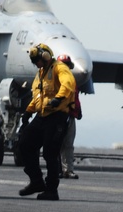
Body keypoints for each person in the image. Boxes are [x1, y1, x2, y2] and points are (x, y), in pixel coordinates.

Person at [18, 43, 77, 201]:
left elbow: (68, 84)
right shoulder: (40, 74)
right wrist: (28, 112)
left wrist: (59, 98)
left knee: (50, 153)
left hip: (57, 116)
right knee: (24, 144)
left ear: (45, 56)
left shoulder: (59, 68)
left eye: (38, 60)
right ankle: (36, 181)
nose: (36, 64)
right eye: (35, 61)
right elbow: (37, 97)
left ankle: (51, 190)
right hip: (42, 116)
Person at [57, 54, 81, 179]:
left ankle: (68, 170)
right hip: (58, 116)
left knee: (68, 144)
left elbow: (75, 97)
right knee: (56, 144)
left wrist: (78, 111)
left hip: (70, 116)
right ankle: (57, 170)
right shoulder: (54, 79)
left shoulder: (71, 80)